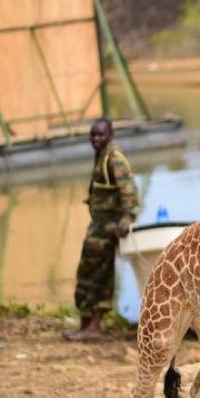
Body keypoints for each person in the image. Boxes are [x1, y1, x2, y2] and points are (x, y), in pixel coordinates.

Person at [64, 118, 140, 341]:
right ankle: (85, 325)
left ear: (110, 135)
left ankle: (93, 328)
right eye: (93, 135)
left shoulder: (114, 159)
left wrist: (126, 219)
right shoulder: (102, 156)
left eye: (100, 135)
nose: (96, 139)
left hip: (107, 228)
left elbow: (130, 194)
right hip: (98, 226)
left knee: (98, 276)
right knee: (88, 273)